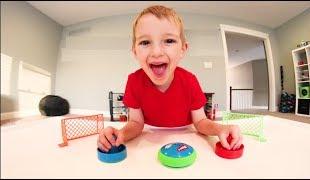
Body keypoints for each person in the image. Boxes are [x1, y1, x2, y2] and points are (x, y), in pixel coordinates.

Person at [98, 5, 242, 152]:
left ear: (182, 49)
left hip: (187, 137)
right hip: (148, 139)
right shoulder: (134, 81)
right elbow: (136, 123)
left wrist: (220, 129)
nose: (156, 52)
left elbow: (200, 121)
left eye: (169, 41)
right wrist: (121, 133)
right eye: (145, 42)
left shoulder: (190, 81)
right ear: (135, 52)